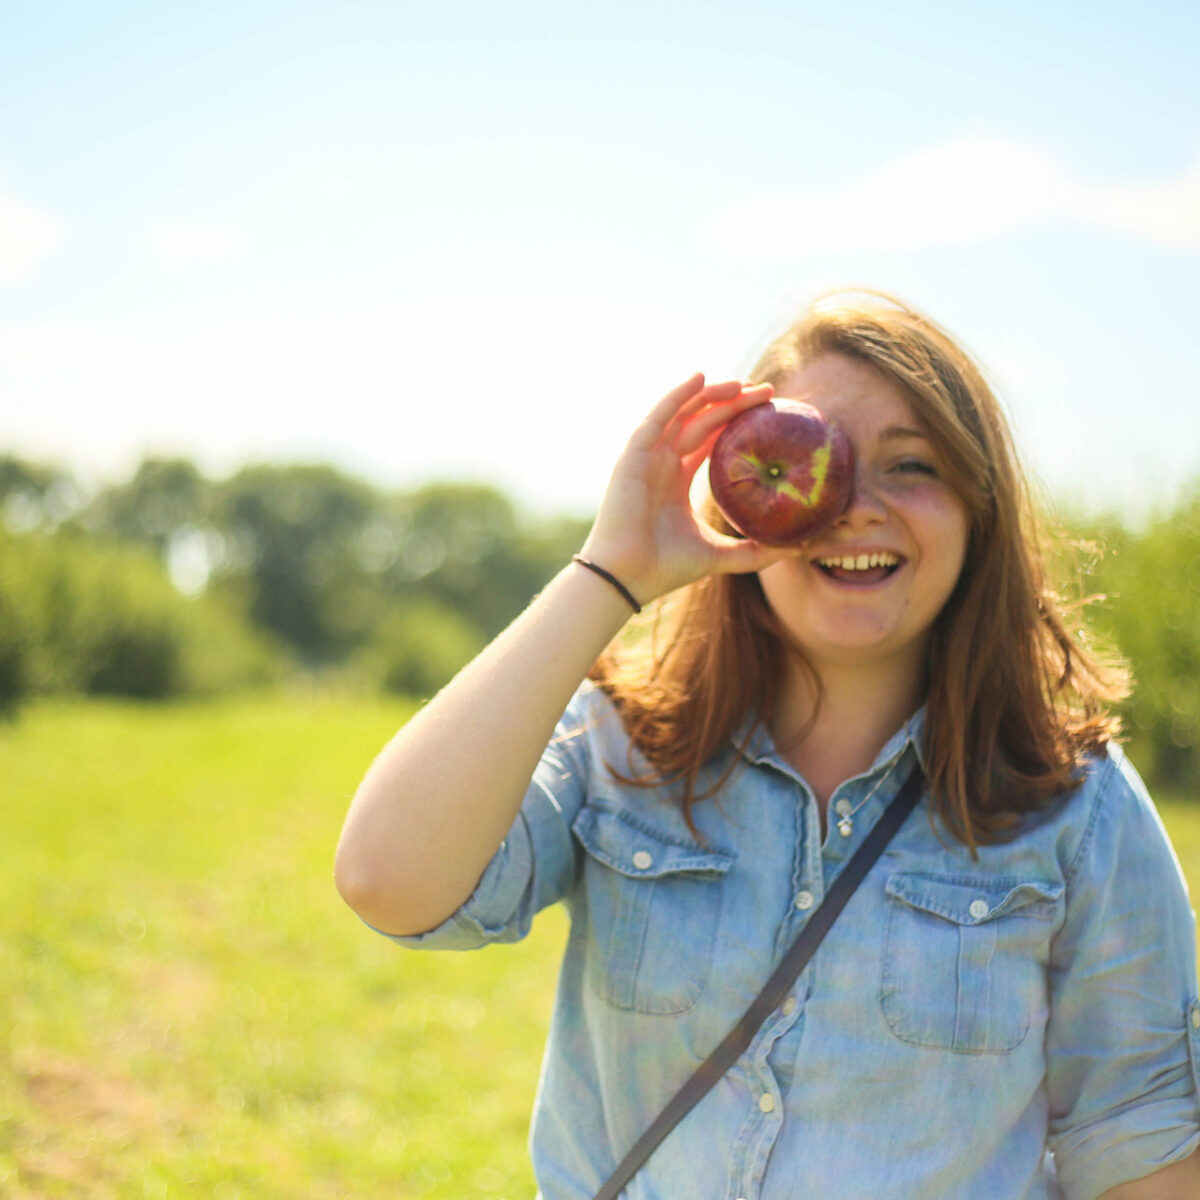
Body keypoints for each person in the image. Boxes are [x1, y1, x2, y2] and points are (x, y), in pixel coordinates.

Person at [335, 291, 1200, 1198]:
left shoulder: (1074, 801)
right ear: (741, 504)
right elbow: (390, 884)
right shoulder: (623, 746)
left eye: (913, 466)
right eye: (814, 460)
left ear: (978, 509)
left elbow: (1139, 1142)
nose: (856, 506)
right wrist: (610, 573)